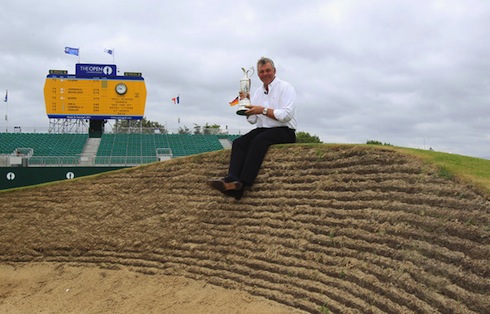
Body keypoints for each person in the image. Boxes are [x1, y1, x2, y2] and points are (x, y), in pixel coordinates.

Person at [207, 57, 297, 200]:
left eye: (268, 70)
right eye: (261, 72)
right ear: (259, 75)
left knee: (259, 141)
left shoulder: (285, 87)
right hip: (264, 129)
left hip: (285, 130)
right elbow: (254, 120)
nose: (265, 74)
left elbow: (287, 115)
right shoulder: (258, 93)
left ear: (274, 71)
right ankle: (232, 179)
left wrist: (263, 110)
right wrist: (246, 106)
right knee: (239, 143)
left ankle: (242, 184)